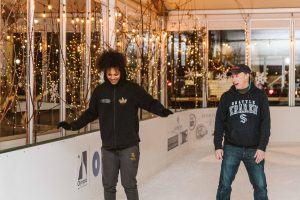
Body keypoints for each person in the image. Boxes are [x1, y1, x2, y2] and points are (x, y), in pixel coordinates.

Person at [57, 50, 173, 200]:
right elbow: (90, 113)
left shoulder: (132, 89)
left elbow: (149, 102)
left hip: (129, 146)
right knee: (109, 185)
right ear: (105, 73)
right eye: (109, 75)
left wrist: (161, 110)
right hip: (108, 149)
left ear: (121, 71)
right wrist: (72, 125)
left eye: (116, 74)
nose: (113, 78)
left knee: (129, 184)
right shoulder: (100, 92)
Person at [213, 64, 271, 200]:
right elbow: (219, 123)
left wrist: (262, 147)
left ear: (247, 75)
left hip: (254, 150)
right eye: (232, 76)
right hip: (231, 148)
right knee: (224, 185)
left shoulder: (260, 96)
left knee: (260, 186)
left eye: (237, 75)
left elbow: (265, 124)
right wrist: (217, 145)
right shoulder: (226, 97)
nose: (234, 79)